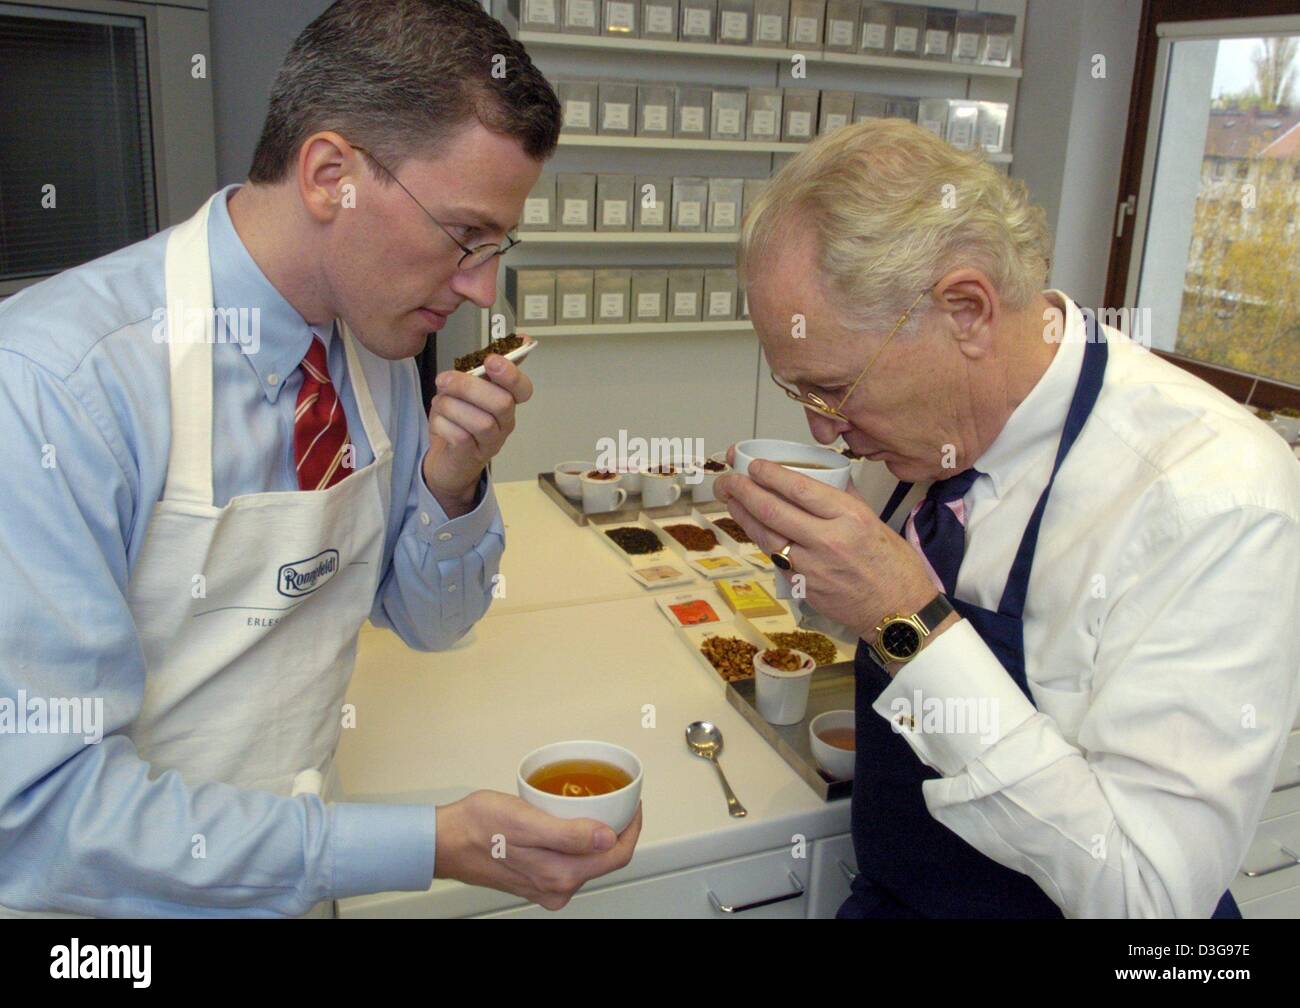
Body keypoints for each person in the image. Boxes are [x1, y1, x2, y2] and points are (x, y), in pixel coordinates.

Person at [0, 0, 639, 918]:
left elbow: (432, 623)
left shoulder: (372, 352)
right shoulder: (55, 389)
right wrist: (428, 844)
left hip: (293, 880)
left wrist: (450, 486)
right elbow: (42, 817)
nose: (481, 287)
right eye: (465, 237)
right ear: (330, 175)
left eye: (499, 245)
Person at [715, 118, 1300, 918]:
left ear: (966, 310)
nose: (823, 430)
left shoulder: (1213, 497)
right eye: (799, 395)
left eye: (833, 389)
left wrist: (903, 621)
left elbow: (1146, 897)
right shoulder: (933, 436)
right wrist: (821, 570)